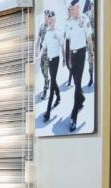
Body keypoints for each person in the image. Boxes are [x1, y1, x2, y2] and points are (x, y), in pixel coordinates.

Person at [64, 0, 93, 132]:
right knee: (76, 83)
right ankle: (81, 98)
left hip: (81, 53)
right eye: (71, 10)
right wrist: (69, 58)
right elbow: (69, 40)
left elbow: (89, 38)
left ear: (78, 8)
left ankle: (73, 117)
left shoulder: (84, 19)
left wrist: (91, 53)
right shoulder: (68, 22)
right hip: (73, 55)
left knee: (77, 85)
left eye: (74, 9)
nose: (72, 11)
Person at [38, 10, 62, 122]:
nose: (50, 21)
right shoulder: (46, 31)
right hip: (48, 58)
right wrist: (38, 55)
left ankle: (48, 112)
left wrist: (65, 59)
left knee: (52, 84)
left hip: (55, 59)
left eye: (52, 20)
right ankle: (59, 96)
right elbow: (43, 44)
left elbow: (62, 44)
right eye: (49, 19)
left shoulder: (57, 31)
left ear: (54, 20)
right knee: (53, 80)